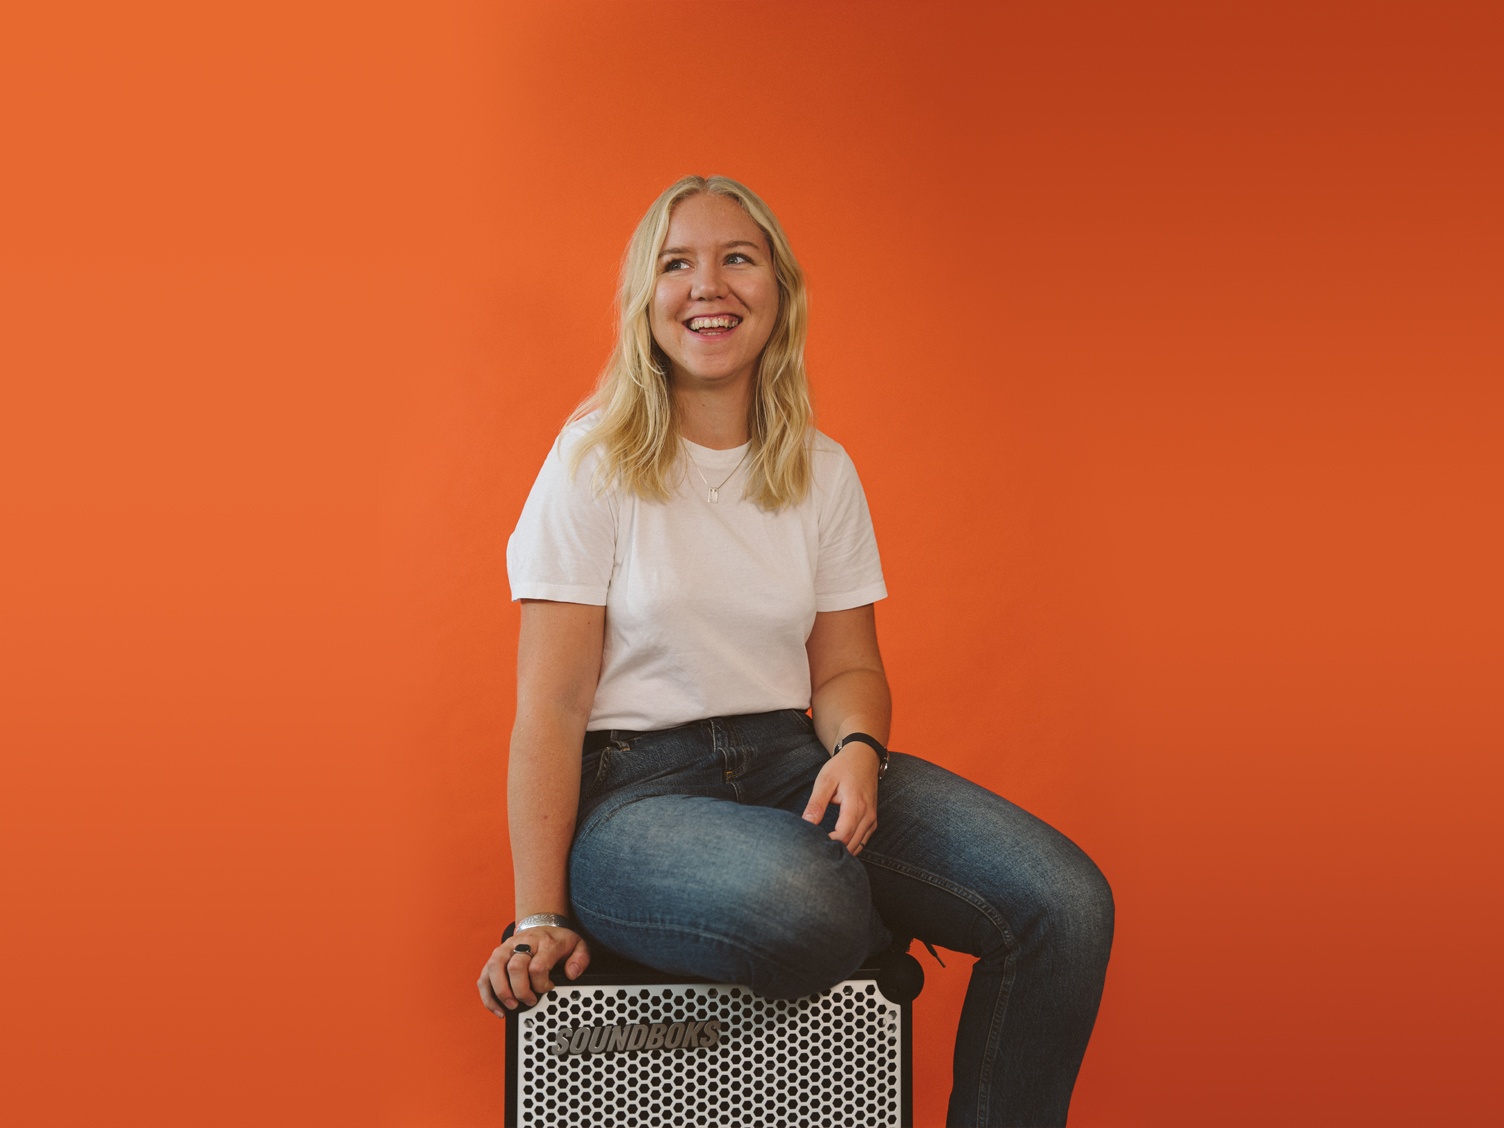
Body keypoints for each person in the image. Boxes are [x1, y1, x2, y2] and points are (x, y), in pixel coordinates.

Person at [477, 174, 1114, 1127]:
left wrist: (858, 751)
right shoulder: (590, 464)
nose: (710, 285)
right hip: (637, 797)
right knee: (805, 904)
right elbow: (552, 708)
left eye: (739, 257)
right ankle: (832, 894)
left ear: (779, 291)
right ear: (644, 301)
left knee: (1066, 905)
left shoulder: (821, 469)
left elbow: (849, 670)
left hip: (794, 764)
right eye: (676, 263)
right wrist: (539, 918)